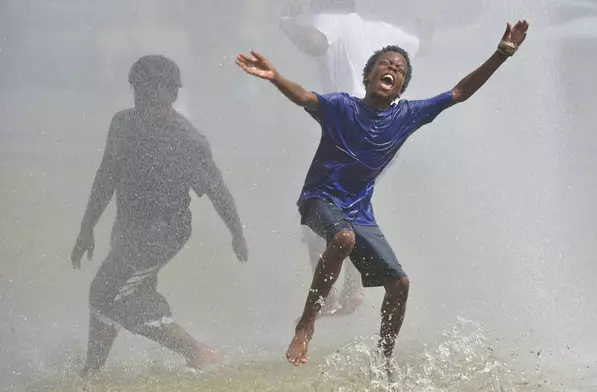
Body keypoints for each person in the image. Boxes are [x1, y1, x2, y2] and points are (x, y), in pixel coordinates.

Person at [236, 20, 529, 368]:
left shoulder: (407, 115)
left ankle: (384, 362)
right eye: (385, 64)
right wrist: (276, 78)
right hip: (318, 198)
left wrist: (502, 53)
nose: (392, 68)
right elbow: (304, 96)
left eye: (400, 69)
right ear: (368, 75)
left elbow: (459, 92)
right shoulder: (341, 107)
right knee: (342, 238)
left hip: (359, 211)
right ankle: (306, 325)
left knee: (400, 283)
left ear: (401, 87)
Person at [71, 55, 248, 376]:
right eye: (139, 93)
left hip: (163, 232)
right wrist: (87, 228)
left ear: (173, 95)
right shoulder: (123, 124)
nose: (146, 102)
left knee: (107, 292)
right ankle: (90, 372)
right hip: (128, 227)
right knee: (119, 295)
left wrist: (237, 233)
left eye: (154, 94)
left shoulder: (187, 140)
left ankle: (198, 353)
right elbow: (106, 176)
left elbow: (218, 191)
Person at [279, 0, 430, 317]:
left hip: (353, 126)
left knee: (316, 210)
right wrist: (428, 22)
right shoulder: (382, 30)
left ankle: (332, 298)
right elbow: (423, 44)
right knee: (348, 200)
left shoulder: (331, 20)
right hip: (386, 132)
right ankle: (351, 290)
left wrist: (288, 22)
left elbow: (315, 42)